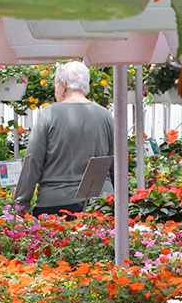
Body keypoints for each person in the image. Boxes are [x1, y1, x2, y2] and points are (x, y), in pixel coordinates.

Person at [14, 60, 113, 215]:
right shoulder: (105, 115)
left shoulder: (49, 114)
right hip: (99, 203)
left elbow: (33, 160)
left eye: (56, 85)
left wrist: (22, 203)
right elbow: (116, 162)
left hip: (55, 203)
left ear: (64, 85)